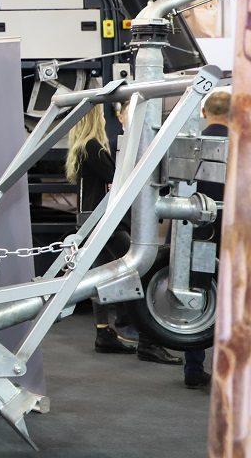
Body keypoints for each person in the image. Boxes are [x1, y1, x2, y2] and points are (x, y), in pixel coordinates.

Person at [67, 105, 180, 364]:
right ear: (95, 119)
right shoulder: (93, 148)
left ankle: (103, 334)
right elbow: (120, 180)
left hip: (92, 222)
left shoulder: (82, 148)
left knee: (98, 276)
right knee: (141, 270)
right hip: (105, 225)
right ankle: (149, 342)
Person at [182, 89, 230, 389]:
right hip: (233, 234)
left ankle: (193, 368)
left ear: (203, 113)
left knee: (197, 297)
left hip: (197, 232)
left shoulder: (190, 145)